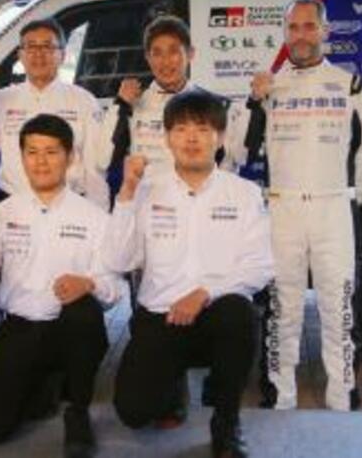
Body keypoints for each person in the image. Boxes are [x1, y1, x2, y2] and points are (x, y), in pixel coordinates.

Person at [106, 90, 273, 458]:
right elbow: (118, 260)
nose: (192, 138)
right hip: (161, 316)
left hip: (216, 315)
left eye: (202, 128)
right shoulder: (146, 190)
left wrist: (204, 292)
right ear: (167, 138)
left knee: (240, 314)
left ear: (221, 137)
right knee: (133, 412)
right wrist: (127, 194)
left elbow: (260, 265)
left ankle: (226, 421)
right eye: (181, 129)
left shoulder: (244, 193)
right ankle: (171, 388)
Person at [0, 114, 120, 458]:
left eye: (51, 152)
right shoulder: (3, 212)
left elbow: (114, 288)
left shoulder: (94, 217)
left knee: (83, 312)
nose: (41, 162)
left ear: (70, 157)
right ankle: (45, 385)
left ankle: (78, 410)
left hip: (71, 329)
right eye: (32, 152)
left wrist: (88, 283)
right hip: (21, 328)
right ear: (22, 157)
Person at [245, 0, 362, 411]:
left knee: (338, 305)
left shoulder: (350, 85)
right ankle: (279, 394)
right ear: (285, 34)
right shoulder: (269, 86)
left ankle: (342, 395)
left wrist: (352, 195)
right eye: (293, 27)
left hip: (332, 207)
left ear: (325, 31)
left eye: (308, 26)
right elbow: (241, 150)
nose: (301, 35)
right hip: (282, 208)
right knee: (282, 307)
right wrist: (255, 101)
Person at [0, 18, 108, 206]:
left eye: (47, 46)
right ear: (20, 55)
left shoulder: (84, 101)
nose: (38, 54)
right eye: (31, 47)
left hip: (69, 205)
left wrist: (98, 213)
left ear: (62, 55)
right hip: (15, 206)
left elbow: (95, 168)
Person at [97, 15, 245, 178]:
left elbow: (235, 161)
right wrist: (121, 105)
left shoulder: (216, 106)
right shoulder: (130, 106)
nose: (165, 62)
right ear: (147, 57)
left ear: (190, 54)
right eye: (157, 53)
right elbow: (104, 161)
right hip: (148, 193)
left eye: (173, 52)